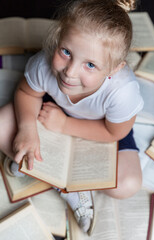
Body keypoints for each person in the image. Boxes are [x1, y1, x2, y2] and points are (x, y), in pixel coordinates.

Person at [0, 0, 144, 234]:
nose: (69, 71)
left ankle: (65, 182)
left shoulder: (123, 91)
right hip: (53, 108)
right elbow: (26, 92)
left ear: (114, 69)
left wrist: (65, 124)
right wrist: (27, 127)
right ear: (58, 39)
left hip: (102, 128)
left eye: (90, 65)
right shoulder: (44, 64)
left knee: (128, 184)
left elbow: (114, 132)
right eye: (66, 52)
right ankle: (61, 183)